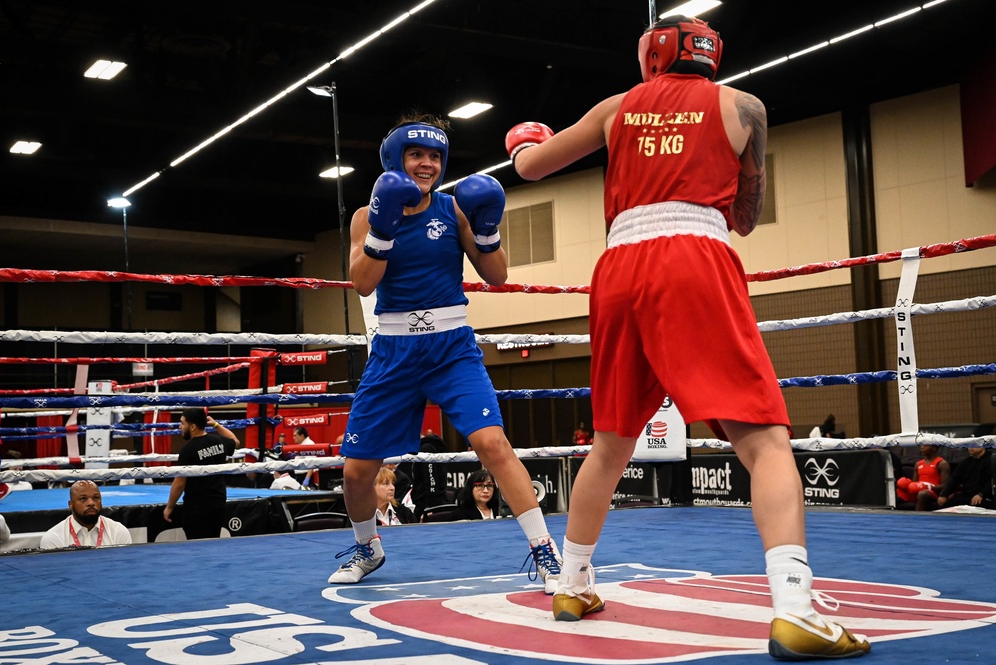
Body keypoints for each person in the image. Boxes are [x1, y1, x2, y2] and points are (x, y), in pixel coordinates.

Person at [506, 15, 869, 658]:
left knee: (612, 441)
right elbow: (747, 217)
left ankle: (571, 584)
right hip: (695, 259)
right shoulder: (744, 106)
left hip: (618, 269)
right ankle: (794, 610)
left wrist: (522, 141)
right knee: (764, 438)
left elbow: (532, 168)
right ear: (711, 56)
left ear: (651, 55)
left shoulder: (616, 108)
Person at [327, 113, 561, 592]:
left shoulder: (454, 209)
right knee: (355, 473)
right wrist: (383, 228)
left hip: (451, 347)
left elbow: (496, 275)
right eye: (417, 155)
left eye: (435, 156)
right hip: (393, 351)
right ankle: (368, 548)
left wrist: (488, 226)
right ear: (396, 160)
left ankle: (546, 553)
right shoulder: (365, 216)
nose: (427, 164)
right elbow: (362, 283)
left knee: (492, 444)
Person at [163, 408, 239, 539]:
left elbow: (179, 483)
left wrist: (169, 507)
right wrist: (216, 425)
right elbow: (235, 441)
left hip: (196, 508)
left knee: (196, 547)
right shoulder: (219, 442)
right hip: (218, 504)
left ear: (192, 427)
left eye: (182, 423)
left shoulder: (188, 450)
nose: (180, 426)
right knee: (212, 542)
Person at [39, 480, 132, 549]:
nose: (91, 503)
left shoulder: (118, 532)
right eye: (83, 499)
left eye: (96, 498)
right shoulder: (53, 538)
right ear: (70, 504)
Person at [896, 444, 950, 511]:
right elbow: (914, 483)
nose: (922, 447)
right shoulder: (918, 464)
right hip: (918, 489)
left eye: (926, 445)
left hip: (933, 492)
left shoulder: (942, 463)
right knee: (898, 493)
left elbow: (946, 485)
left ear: (934, 448)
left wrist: (929, 487)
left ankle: (917, 518)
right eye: (922, 445)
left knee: (922, 494)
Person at [411, 433, 450, 521]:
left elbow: (431, 479)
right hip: (433, 500)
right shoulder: (433, 447)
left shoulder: (426, 449)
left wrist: (430, 507)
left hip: (427, 503)